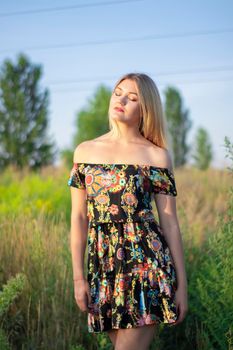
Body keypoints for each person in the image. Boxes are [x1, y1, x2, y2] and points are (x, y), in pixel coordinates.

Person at [67, 72, 188, 350]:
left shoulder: (156, 155)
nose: (121, 100)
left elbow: (170, 223)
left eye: (132, 98)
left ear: (145, 109)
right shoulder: (84, 152)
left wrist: (183, 285)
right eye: (118, 92)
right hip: (103, 267)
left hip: (147, 264)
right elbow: (78, 218)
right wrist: (78, 277)